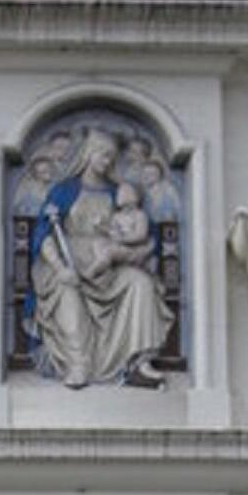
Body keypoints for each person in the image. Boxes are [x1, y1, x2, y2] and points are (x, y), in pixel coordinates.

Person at [26, 130, 174, 388]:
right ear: (88, 154)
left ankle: (139, 362)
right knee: (66, 289)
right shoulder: (65, 191)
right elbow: (44, 235)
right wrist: (60, 268)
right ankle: (78, 363)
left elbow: (145, 235)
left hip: (108, 264)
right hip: (66, 261)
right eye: (103, 156)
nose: (108, 162)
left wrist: (129, 252)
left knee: (141, 283)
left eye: (111, 158)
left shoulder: (119, 192)